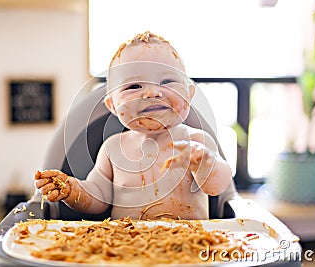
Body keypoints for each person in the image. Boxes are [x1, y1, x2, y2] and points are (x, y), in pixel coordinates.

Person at [35, 31, 232, 220]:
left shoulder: (196, 141)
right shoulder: (112, 149)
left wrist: (205, 163)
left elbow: (218, 187)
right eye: (134, 86)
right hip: (127, 246)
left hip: (191, 244)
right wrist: (72, 189)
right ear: (112, 105)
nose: (152, 93)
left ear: (189, 94)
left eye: (167, 81)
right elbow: (97, 198)